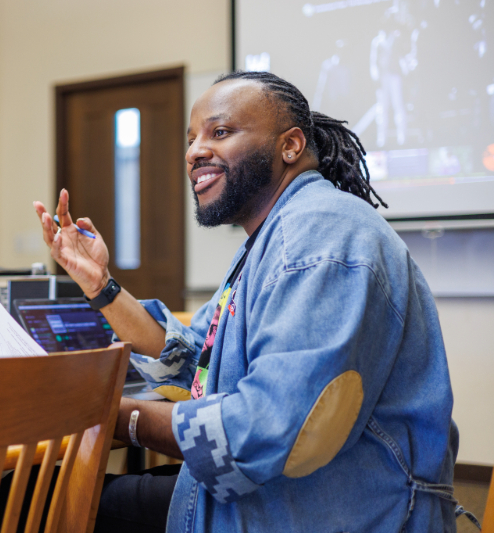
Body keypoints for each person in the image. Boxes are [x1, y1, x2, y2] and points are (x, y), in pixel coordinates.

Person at [33, 72, 463, 532]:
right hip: (279, 498)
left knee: (37, 502)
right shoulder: (278, 234)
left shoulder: (318, 236)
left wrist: (112, 414)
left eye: (219, 132)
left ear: (290, 146)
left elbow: (263, 429)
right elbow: (195, 361)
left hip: (334, 513)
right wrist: (101, 286)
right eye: (192, 139)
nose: (195, 152)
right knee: (53, 490)